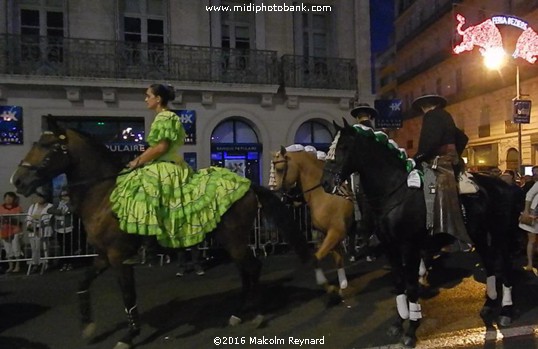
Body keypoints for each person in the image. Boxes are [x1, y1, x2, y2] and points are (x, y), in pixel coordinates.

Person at [110, 84, 251, 263]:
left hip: (165, 166)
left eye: (148, 95)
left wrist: (137, 161)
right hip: (167, 164)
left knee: (142, 193)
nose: (146, 99)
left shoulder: (165, 117)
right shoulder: (166, 117)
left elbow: (161, 147)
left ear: (158, 99)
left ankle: (147, 247)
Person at [412, 94, 469, 243]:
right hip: (452, 160)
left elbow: (429, 142)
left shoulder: (431, 116)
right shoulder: (446, 116)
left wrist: (416, 158)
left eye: (421, 108)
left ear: (425, 106)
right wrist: (455, 155)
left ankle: (434, 228)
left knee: (420, 182)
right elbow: (463, 137)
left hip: (439, 161)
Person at [349, 103, 378, 262]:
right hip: (368, 176)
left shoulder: (354, 132)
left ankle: (354, 249)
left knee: (355, 214)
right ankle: (368, 248)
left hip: (355, 175)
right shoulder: (374, 132)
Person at [26, 190, 53, 273]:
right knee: (35, 248)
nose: (39, 199)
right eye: (38, 197)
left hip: (44, 230)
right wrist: (31, 225)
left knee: (45, 247)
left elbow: (48, 219)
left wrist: (39, 225)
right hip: (33, 230)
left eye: (41, 197)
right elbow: (28, 218)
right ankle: (35, 264)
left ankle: (47, 262)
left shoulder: (50, 206)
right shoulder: (33, 206)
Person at [48, 189, 75, 271]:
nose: (64, 198)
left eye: (66, 196)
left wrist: (67, 212)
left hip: (68, 228)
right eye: (63, 196)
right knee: (62, 246)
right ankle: (63, 263)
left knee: (68, 246)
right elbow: (49, 210)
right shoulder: (58, 204)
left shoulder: (71, 203)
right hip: (59, 228)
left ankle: (70, 263)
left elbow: (72, 209)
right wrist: (59, 212)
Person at [0, 192, 23, 273]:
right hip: (4, 231)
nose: (8, 199)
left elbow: (18, 218)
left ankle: (17, 265)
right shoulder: (1, 207)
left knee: (16, 248)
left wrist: (8, 218)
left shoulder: (17, 207)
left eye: (10, 197)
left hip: (15, 230)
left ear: (14, 199)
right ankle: (10, 266)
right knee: (7, 249)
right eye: (6, 197)